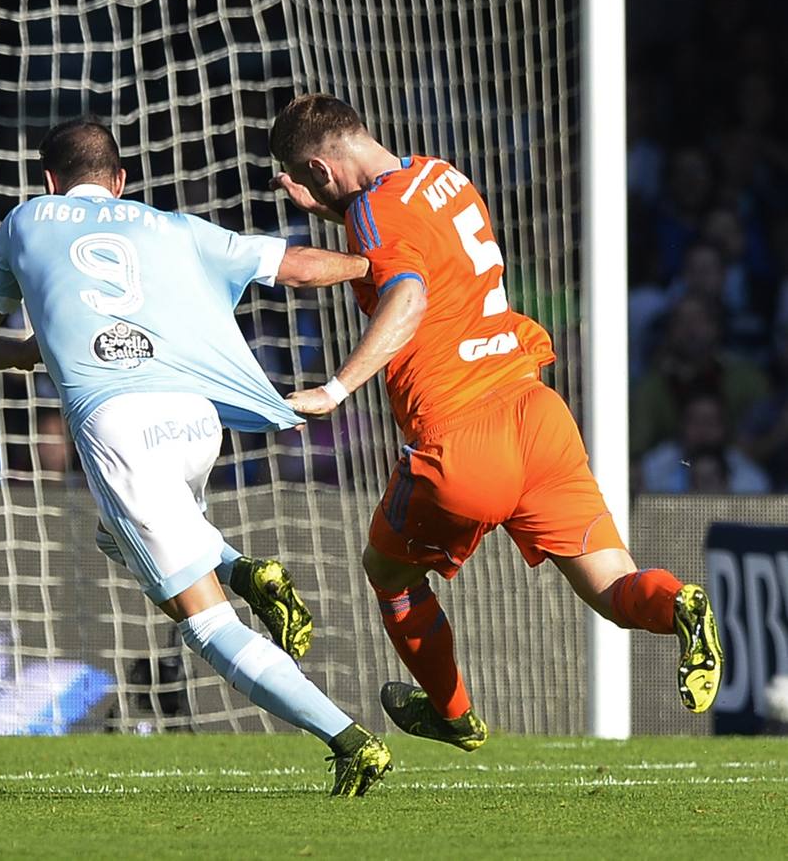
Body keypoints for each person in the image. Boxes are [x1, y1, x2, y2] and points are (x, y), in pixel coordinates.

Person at [268, 93, 724, 752]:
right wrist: (330, 206)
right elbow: (401, 246)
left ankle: (453, 713)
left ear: (316, 168)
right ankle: (680, 602)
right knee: (615, 590)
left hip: (461, 435)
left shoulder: (373, 210)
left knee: (387, 572)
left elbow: (407, 291)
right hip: (535, 414)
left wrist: (336, 388)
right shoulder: (439, 173)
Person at [0, 119, 391, 796]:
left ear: (47, 181)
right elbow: (299, 269)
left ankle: (347, 739)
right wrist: (380, 263)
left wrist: (47, 343)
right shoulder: (173, 226)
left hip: (117, 426)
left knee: (204, 624)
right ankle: (244, 569)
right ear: (121, 182)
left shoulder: (25, 220)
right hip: (194, 419)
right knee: (113, 532)